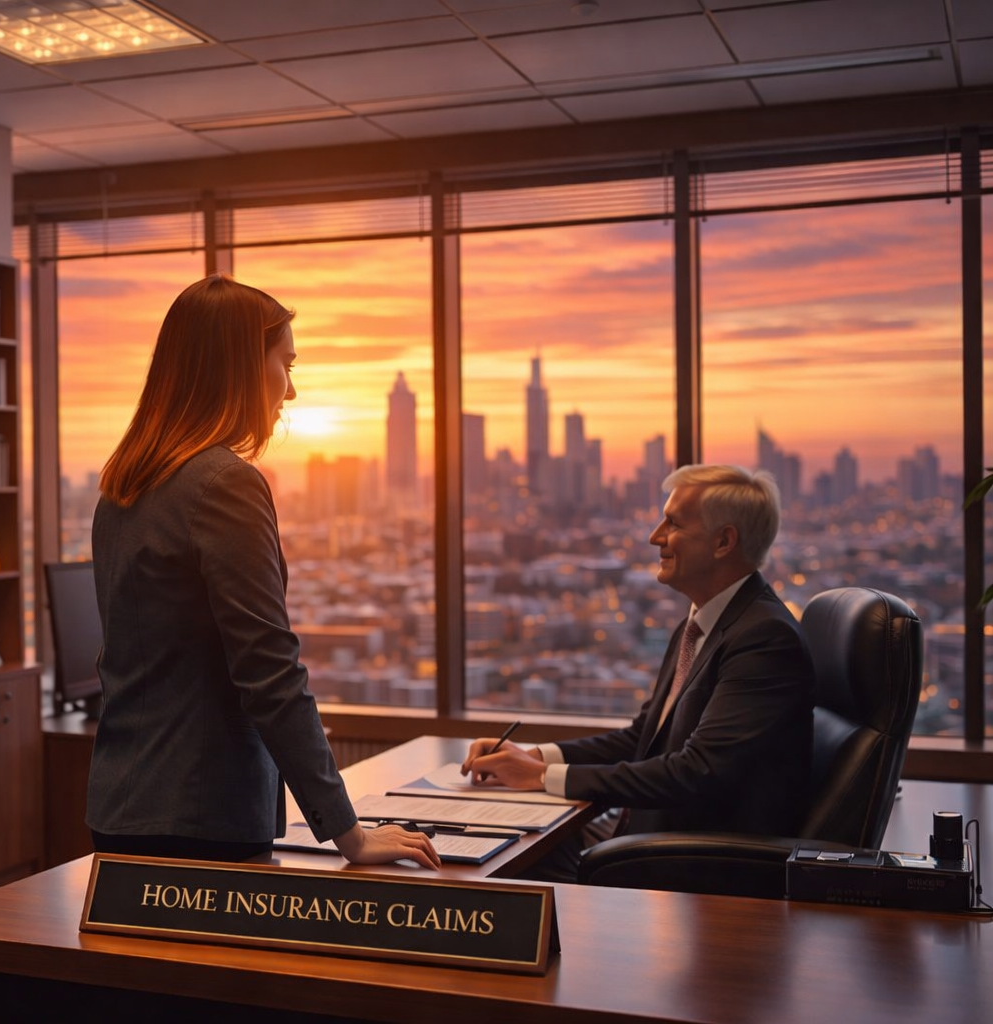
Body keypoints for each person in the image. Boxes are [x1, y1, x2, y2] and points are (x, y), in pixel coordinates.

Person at [85, 274, 439, 870]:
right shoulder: (226, 483)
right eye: (287, 364)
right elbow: (269, 671)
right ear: (243, 368)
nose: (291, 390)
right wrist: (348, 831)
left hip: (120, 806)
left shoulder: (122, 485)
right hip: (203, 817)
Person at [462, 464, 814, 875]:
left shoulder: (765, 639)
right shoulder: (699, 625)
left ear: (724, 541)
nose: (655, 536)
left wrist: (543, 777)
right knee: (508, 845)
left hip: (692, 867)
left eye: (674, 523)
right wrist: (534, 756)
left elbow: (695, 772)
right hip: (647, 837)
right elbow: (642, 740)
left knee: (506, 866)